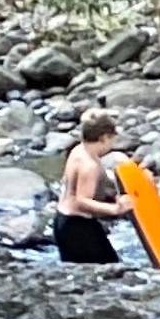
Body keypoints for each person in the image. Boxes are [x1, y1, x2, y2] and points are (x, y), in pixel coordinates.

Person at [53, 112, 121, 264]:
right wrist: (115, 209)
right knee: (109, 270)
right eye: (112, 140)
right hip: (77, 226)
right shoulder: (89, 166)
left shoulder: (78, 150)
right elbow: (82, 201)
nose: (112, 145)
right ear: (104, 138)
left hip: (62, 220)